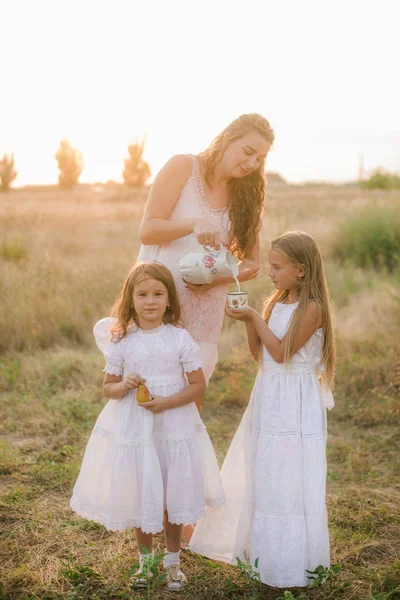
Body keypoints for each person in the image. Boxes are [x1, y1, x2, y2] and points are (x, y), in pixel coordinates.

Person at [189, 231, 336, 588]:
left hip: (295, 400)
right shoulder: (276, 303)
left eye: (276, 267)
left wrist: (254, 318)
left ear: (301, 270)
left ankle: (291, 561)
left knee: (289, 472)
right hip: (269, 395)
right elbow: (262, 357)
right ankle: (265, 555)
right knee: (267, 470)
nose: (269, 272)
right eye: (270, 266)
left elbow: (284, 353)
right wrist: (248, 322)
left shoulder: (312, 308)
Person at [70, 262, 224, 592]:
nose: (150, 301)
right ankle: (145, 562)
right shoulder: (123, 341)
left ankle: (172, 562)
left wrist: (166, 403)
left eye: (157, 294)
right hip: (136, 429)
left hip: (172, 424)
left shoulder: (179, 338)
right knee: (143, 491)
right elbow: (108, 388)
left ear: (169, 300)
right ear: (130, 299)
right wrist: (124, 383)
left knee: (172, 492)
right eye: (142, 294)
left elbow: (197, 385)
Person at [138, 113, 275, 392]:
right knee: (146, 394)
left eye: (259, 159)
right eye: (248, 152)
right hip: (159, 300)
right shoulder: (182, 166)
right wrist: (192, 224)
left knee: (189, 399)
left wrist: (215, 280)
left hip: (206, 311)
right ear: (227, 139)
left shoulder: (245, 195)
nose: (252, 163)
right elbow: (148, 230)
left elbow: (251, 263)